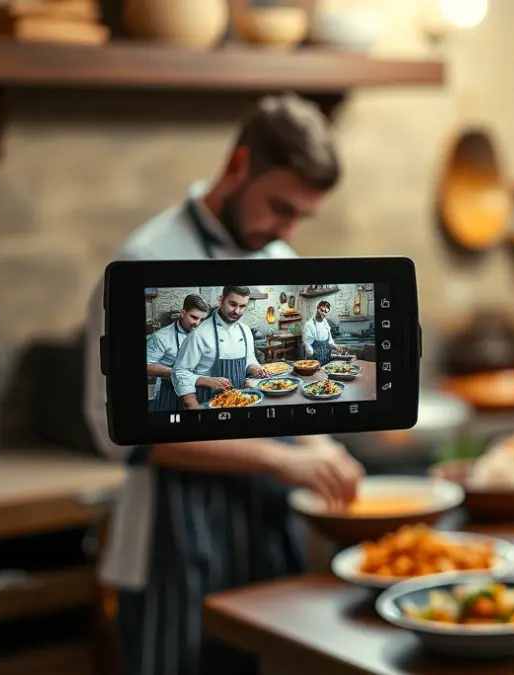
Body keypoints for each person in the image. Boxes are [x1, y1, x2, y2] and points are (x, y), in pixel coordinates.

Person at [82, 93, 365, 675]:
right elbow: (126, 437)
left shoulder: (279, 258)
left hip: (266, 525)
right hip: (173, 538)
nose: (285, 228)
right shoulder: (145, 260)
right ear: (239, 166)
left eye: (299, 217)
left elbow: (279, 389)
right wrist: (279, 460)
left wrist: (319, 443)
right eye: (279, 207)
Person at [172, 286, 271, 409]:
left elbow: (249, 358)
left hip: (241, 401)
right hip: (209, 404)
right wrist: (205, 382)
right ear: (221, 300)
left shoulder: (245, 330)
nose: (237, 311)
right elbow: (179, 373)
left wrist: (255, 368)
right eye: (233, 304)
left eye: (242, 306)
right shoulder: (199, 334)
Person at [146, 293, 210, 411]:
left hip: (200, 392)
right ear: (183, 313)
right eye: (194, 317)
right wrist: (177, 373)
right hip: (170, 394)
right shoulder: (161, 337)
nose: (198, 323)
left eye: (202, 320)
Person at [301, 299, 341, 364]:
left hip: (326, 360)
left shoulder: (326, 324)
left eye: (326, 312)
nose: (323, 313)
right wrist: (314, 355)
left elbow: (330, 342)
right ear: (317, 308)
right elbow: (307, 344)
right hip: (313, 361)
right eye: (321, 310)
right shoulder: (309, 324)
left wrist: (337, 348)